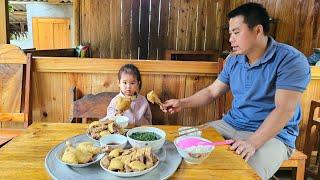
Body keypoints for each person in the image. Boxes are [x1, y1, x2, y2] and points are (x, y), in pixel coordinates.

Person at [162, 3, 310, 179]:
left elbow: (284, 109)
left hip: (272, 136)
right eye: (230, 33)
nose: (231, 39)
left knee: (241, 175)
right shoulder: (233, 60)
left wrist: (252, 143)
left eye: (236, 32)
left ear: (257, 30)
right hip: (231, 124)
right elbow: (212, 92)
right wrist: (182, 103)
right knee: (181, 146)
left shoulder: (290, 60)